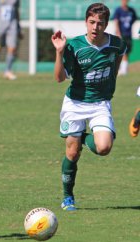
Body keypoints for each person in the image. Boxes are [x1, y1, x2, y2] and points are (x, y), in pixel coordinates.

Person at [51, 3, 126, 211]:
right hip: (75, 103)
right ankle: (68, 197)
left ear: (106, 24)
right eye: (91, 22)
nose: (95, 27)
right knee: (72, 154)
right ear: (86, 22)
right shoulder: (74, 46)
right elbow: (59, 78)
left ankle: (79, 136)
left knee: (104, 148)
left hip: (100, 104)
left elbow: (116, 66)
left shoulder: (117, 45)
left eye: (100, 23)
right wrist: (59, 52)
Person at [113, 0, 137, 75]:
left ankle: (124, 69)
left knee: (128, 51)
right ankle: (122, 70)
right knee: (122, 51)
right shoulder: (118, 10)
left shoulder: (131, 10)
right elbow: (116, 21)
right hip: (121, 34)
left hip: (128, 34)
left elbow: (134, 19)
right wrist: (118, 32)